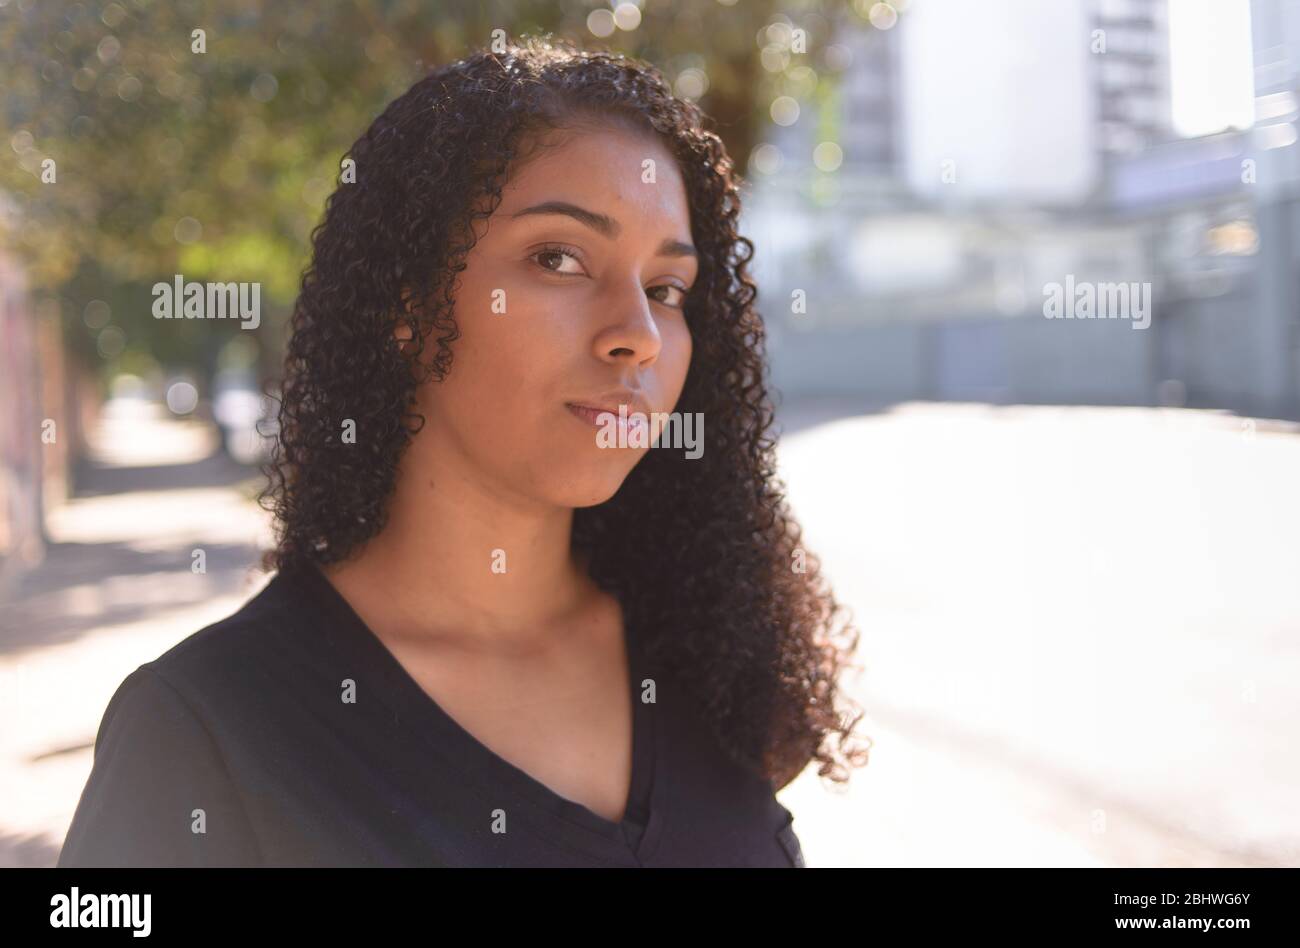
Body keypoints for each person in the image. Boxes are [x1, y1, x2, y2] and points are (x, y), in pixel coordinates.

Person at [57, 36, 870, 868]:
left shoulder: (715, 664)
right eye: (559, 258)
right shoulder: (206, 732)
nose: (636, 334)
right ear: (407, 304)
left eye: (666, 289)